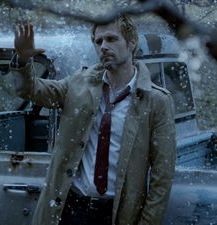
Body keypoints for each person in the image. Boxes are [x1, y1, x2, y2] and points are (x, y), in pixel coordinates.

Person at [10, 16, 176, 225]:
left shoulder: (155, 101)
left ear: (132, 42)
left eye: (111, 39)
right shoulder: (80, 84)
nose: (104, 46)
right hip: (71, 209)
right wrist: (23, 60)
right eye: (98, 42)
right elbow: (31, 90)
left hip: (117, 214)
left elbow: (162, 176)